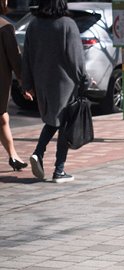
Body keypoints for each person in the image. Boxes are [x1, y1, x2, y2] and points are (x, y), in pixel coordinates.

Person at [22, 0, 88, 183]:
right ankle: (59, 169)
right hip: (65, 82)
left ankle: (39, 154)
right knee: (63, 124)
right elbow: (75, 58)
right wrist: (84, 79)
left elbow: (26, 55)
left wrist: (27, 84)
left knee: (53, 120)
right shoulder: (67, 24)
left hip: (42, 81)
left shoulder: (34, 24)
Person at [0, 0, 27, 172]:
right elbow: (15, 59)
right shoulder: (5, 27)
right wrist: (24, 82)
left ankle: (13, 155)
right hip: (1, 81)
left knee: (3, 118)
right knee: (2, 117)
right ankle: (13, 155)